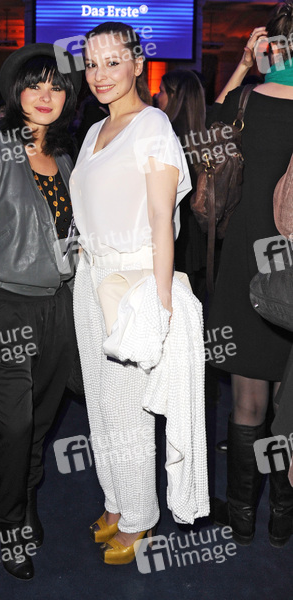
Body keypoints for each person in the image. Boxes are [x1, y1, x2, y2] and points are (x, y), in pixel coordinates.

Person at [70, 22, 208, 565]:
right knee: (101, 405)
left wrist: (161, 301)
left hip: (132, 284)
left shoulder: (152, 125)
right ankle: (115, 500)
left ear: (136, 64)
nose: (100, 74)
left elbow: (160, 220)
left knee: (129, 410)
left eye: (112, 61)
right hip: (90, 280)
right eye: (91, 63)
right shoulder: (93, 131)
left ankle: (139, 517)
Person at [0, 43, 81, 580]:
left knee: (40, 421)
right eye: (34, 85)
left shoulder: (67, 159)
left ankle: (25, 495)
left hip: (58, 308)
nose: (45, 96)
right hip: (1, 306)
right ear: (16, 93)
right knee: (16, 423)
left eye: (55, 86)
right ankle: (9, 522)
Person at [208, 0, 293, 548]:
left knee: (247, 399)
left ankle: (241, 516)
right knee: (290, 400)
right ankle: (283, 517)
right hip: (292, 264)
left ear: (270, 48)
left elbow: (208, 135)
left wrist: (241, 66)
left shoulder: (244, 101)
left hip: (245, 258)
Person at [155, 69, 207, 302]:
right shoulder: (205, 133)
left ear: (175, 96)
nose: (158, 96)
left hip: (175, 234)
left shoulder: (166, 135)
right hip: (200, 234)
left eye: (162, 91)